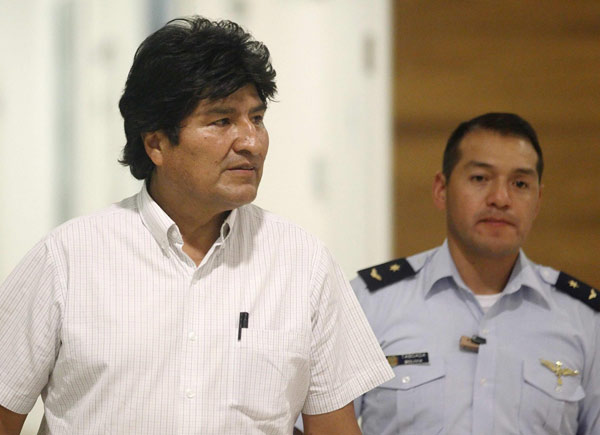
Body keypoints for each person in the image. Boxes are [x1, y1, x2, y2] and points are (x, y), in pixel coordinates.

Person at [0, 16, 393, 434]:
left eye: (256, 118)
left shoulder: (303, 264)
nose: (251, 142)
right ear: (156, 144)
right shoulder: (66, 260)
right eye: (222, 121)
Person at [352, 113, 600, 434]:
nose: (500, 198)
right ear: (441, 190)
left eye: (520, 184)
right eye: (480, 178)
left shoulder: (583, 319)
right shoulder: (370, 303)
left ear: (537, 201)